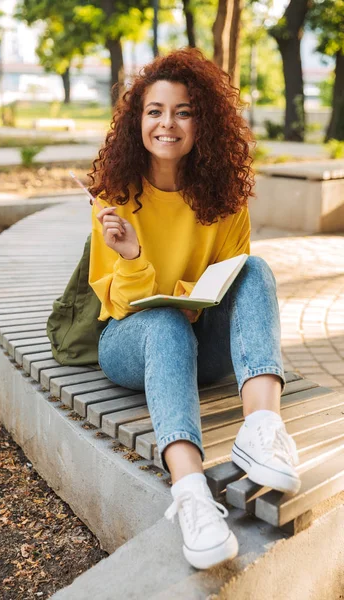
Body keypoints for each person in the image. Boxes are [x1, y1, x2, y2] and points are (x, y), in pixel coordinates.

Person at [88, 48, 300, 570]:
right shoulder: (115, 193)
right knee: (161, 321)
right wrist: (133, 255)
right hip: (129, 342)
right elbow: (112, 298)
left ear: (202, 121)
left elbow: (231, 282)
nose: (167, 123)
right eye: (155, 110)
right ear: (138, 120)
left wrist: (188, 297)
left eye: (183, 111)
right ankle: (190, 495)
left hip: (202, 344)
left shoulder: (225, 196)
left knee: (257, 270)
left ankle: (262, 431)